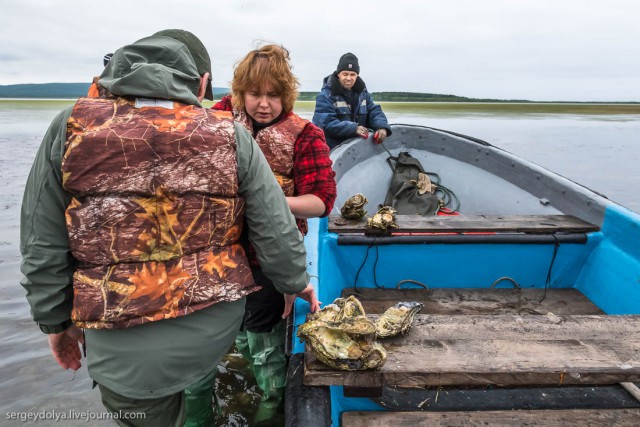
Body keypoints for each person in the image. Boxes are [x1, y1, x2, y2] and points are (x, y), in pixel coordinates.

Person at [20, 29, 319, 427]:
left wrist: (54, 321)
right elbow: (275, 231)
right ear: (201, 83)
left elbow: (41, 241)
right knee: (198, 381)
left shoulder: (70, 126)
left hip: (116, 332)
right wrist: (295, 281)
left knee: (148, 414)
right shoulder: (231, 133)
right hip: (211, 325)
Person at [184, 44, 336, 426]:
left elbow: (321, 201)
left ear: (287, 94)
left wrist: (270, 201)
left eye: (273, 95)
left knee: (264, 334)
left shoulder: (306, 134)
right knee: (214, 335)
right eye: (255, 94)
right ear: (239, 92)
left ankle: (269, 407)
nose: (264, 104)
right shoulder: (215, 120)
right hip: (215, 254)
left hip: (269, 255)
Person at [312, 52, 392, 149]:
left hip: (354, 146)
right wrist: (354, 128)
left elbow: (373, 111)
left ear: (357, 75)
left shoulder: (363, 93)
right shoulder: (325, 96)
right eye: (345, 74)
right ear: (338, 74)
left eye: (352, 74)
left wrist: (381, 126)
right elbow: (327, 124)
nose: (349, 78)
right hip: (330, 148)